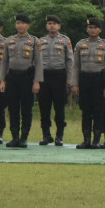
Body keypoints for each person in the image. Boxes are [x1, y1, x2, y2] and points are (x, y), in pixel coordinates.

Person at [0, 14, 42, 148]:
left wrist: (37, 81)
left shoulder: (34, 41)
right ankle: (14, 137)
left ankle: (24, 137)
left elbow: (39, 63)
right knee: (12, 108)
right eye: (18, 23)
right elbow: (4, 62)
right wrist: (2, 80)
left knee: (26, 109)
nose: (20, 25)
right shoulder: (9, 41)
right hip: (12, 77)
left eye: (23, 23)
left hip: (27, 77)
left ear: (28, 25)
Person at [72, 16, 105, 150]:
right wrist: (75, 84)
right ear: (87, 29)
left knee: (98, 111)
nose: (92, 30)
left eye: (95, 27)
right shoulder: (80, 44)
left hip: (99, 80)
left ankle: (96, 140)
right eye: (90, 27)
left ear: (100, 30)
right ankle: (86, 140)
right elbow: (76, 66)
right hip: (84, 79)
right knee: (86, 111)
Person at [37, 14, 74, 146]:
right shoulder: (40, 41)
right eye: (49, 23)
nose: (52, 25)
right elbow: (36, 61)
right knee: (44, 107)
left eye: (54, 23)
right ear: (47, 26)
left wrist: (70, 79)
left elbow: (70, 60)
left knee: (59, 107)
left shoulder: (65, 40)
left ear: (59, 26)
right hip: (44, 77)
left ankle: (59, 136)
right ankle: (46, 135)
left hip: (60, 76)